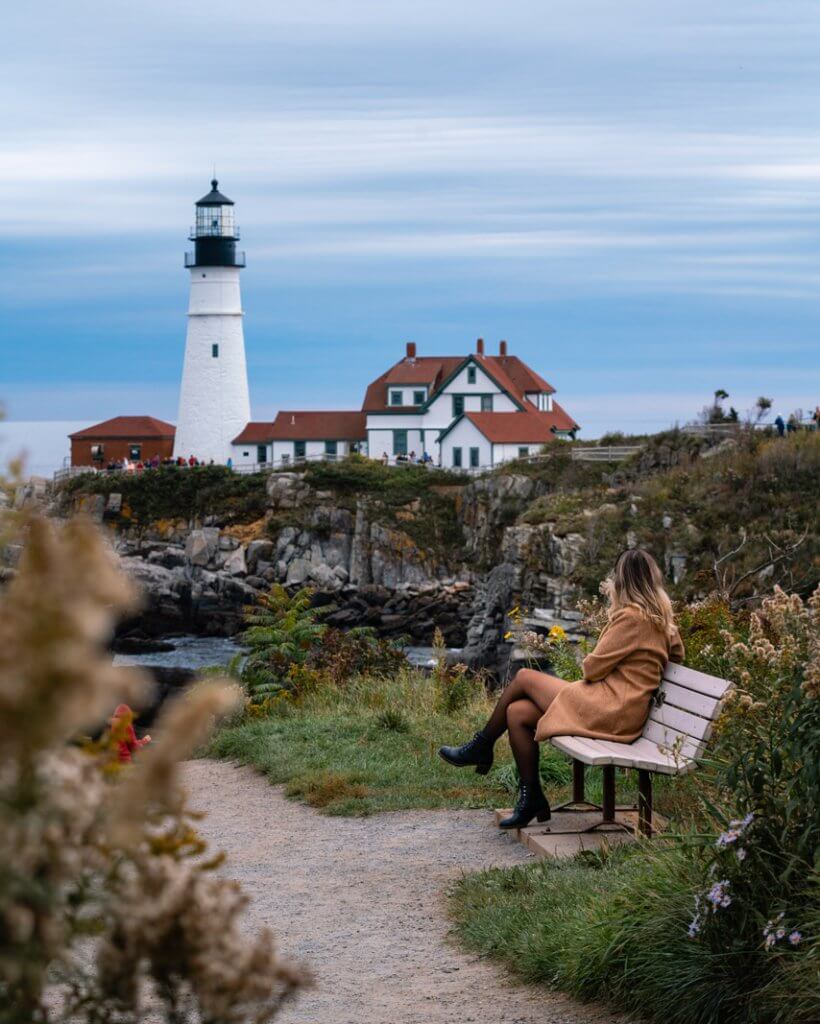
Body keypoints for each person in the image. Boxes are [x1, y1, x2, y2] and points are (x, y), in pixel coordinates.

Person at [439, 549, 684, 828]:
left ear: (624, 581)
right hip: (622, 709)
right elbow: (676, 657)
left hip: (611, 709)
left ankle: (481, 745)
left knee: (524, 678)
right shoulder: (663, 621)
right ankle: (531, 797)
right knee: (517, 713)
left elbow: (591, 669)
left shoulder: (631, 617)